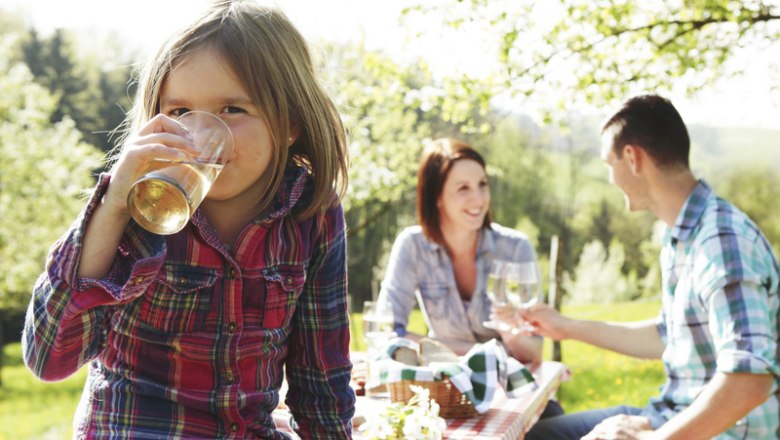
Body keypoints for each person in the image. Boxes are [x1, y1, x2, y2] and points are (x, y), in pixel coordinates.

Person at [22, 1, 355, 438]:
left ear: (289, 123)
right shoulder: (141, 207)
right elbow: (49, 358)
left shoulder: (311, 212)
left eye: (233, 109)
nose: (201, 136)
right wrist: (112, 210)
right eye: (180, 113)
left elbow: (322, 384)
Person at [521, 94, 779, 440]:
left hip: (727, 432)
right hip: (670, 414)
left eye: (608, 163)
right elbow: (667, 336)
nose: (610, 178)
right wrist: (566, 326)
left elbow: (750, 380)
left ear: (632, 157)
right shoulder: (681, 235)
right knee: (535, 433)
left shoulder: (721, 241)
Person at [377, 137, 563, 417]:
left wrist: (508, 332)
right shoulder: (413, 246)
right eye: (463, 188)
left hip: (512, 394)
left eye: (482, 185)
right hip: (447, 394)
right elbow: (387, 331)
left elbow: (533, 351)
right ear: (436, 196)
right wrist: (485, 354)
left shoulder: (514, 248)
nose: (478, 198)